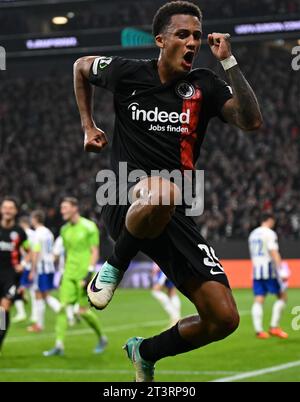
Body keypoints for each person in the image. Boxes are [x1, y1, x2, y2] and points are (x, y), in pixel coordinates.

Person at [73, 1, 262, 381]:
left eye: (196, 35)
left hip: (172, 211)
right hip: (123, 199)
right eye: (182, 35)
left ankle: (145, 351)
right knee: (162, 191)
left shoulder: (204, 84)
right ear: (161, 40)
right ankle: (115, 266)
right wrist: (88, 126)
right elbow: (80, 66)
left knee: (223, 318)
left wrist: (229, 63)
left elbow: (251, 121)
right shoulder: (127, 74)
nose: (192, 42)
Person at [43, 197, 107, 356]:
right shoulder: (64, 230)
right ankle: (59, 345)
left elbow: (94, 251)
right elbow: (67, 252)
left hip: (84, 275)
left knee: (82, 312)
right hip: (69, 274)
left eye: (65, 207)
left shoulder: (89, 226)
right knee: (63, 308)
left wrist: (89, 273)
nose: (62, 211)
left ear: (74, 208)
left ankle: (102, 338)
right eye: (61, 208)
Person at [248, 213, 288, 339]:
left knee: (259, 299)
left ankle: (259, 331)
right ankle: (274, 327)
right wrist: (281, 270)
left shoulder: (253, 234)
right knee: (282, 296)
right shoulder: (269, 233)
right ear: (269, 220)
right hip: (269, 270)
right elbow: (273, 252)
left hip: (256, 271)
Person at [0, 197, 28, 352]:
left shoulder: (19, 232)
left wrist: (23, 264)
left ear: (15, 211)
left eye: (11, 208)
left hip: (10, 276)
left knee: (3, 310)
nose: (8, 210)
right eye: (5, 207)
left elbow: (29, 251)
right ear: (1, 210)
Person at [27, 210, 61, 333]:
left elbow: (36, 252)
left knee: (38, 295)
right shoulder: (48, 232)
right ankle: (65, 313)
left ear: (35, 219)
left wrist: (32, 269)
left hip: (41, 268)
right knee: (45, 295)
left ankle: (39, 325)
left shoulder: (37, 233)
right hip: (50, 266)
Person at [12, 215, 36, 324]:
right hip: (31, 265)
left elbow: (29, 250)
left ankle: (22, 313)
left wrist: (23, 263)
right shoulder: (34, 233)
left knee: (17, 289)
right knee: (32, 290)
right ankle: (32, 315)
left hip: (24, 266)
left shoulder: (21, 234)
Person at [151, 263, 181, 327]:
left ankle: (175, 316)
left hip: (164, 270)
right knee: (171, 292)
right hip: (170, 268)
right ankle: (176, 317)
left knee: (155, 291)